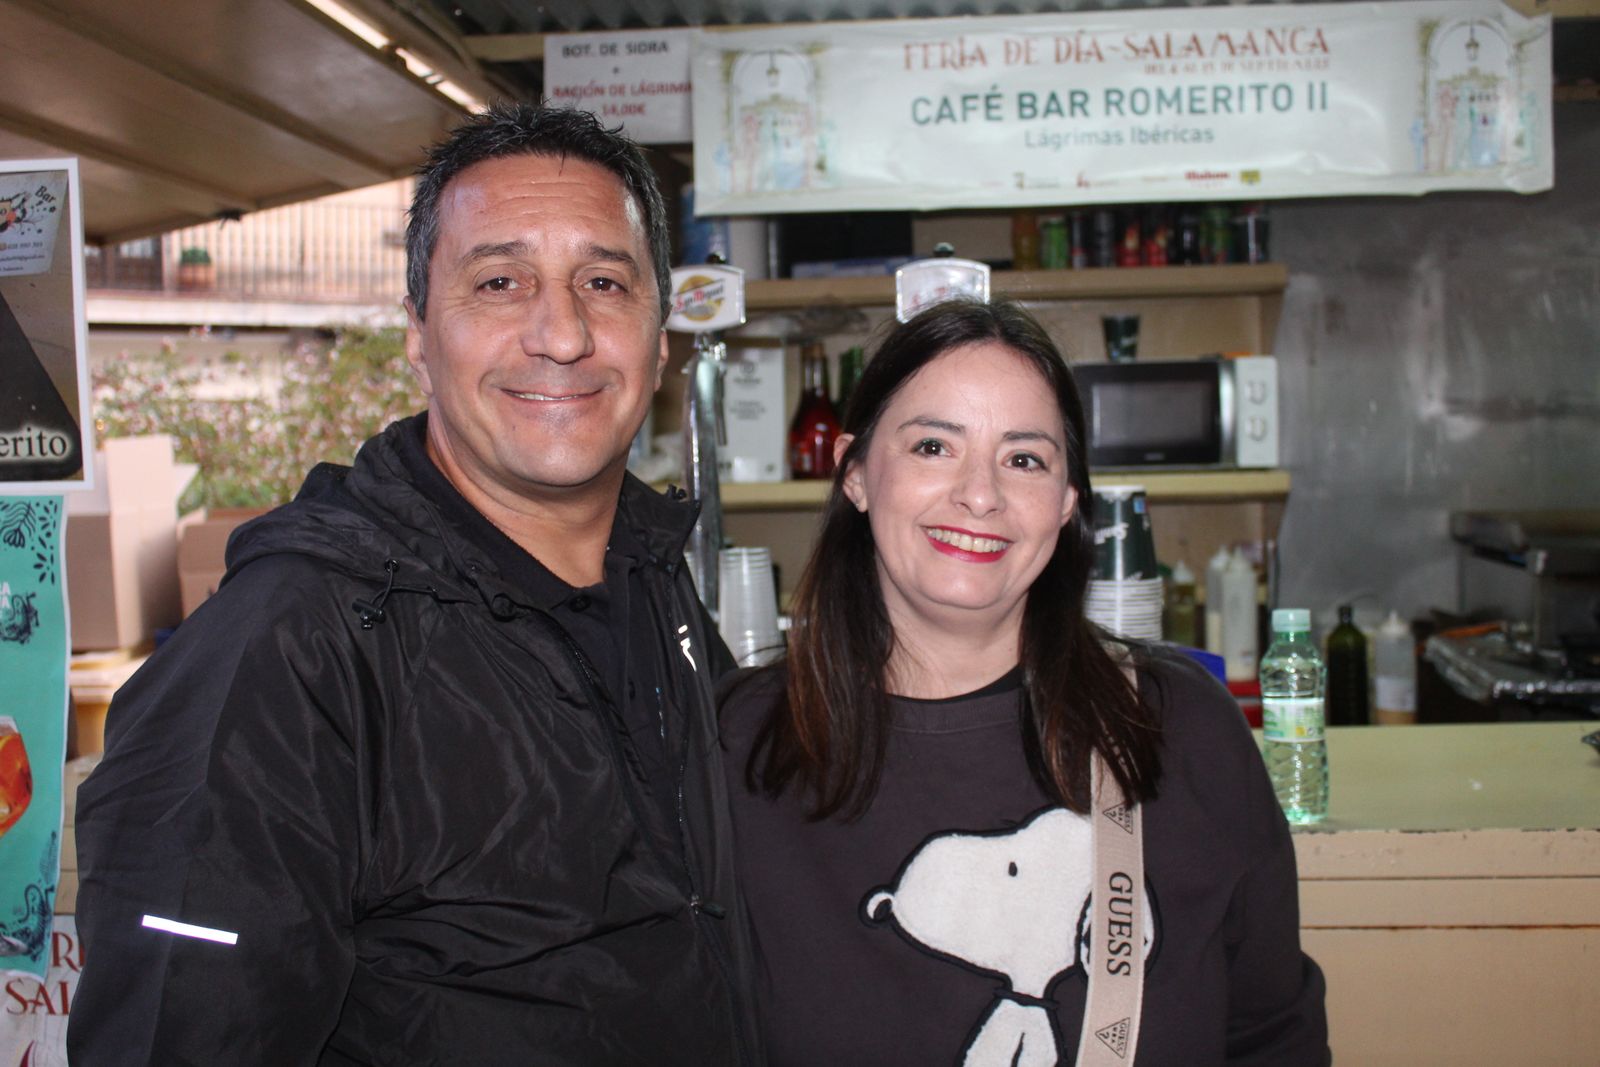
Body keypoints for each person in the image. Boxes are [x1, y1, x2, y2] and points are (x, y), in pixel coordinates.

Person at [70, 104, 757, 1066]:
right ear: (417, 335)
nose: (561, 333)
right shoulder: (295, 645)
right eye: (498, 282)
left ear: (659, 330)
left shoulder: (648, 572)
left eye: (604, 281)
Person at [720, 299, 1329, 1066]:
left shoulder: (1181, 729)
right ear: (855, 473)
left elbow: (1274, 1036)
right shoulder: (740, 747)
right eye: (934, 445)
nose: (981, 493)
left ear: (1069, 503)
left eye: (1025, 458)